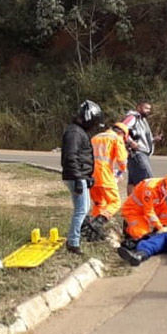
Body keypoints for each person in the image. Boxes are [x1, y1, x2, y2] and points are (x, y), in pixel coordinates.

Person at [117, 174, 167, 266]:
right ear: (163, 184)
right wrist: (160, 227)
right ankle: (139, 256)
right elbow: (148, 211)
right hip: (135, 211)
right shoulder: (150, 188)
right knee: (143, 237)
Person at [61, 100, 103, 254]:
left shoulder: (78, 131)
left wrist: (86, 177)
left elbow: (80, 157)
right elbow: (71, 157)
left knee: (83, 208)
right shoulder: (74, 133)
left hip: (78, 176)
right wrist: (79, 178)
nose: (94, 126)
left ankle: (76, 238)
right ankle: (73, 243)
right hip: (75, 177)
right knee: (82, 210)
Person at [85, 122, 130, 240]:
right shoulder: (116, 139)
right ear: (122, 133)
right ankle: (99, 221)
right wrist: (121, 171)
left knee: (99, 203)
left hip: (91, 175)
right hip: (105, 175)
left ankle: (93, 232)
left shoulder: (95, 138)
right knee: (115, 202)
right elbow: (122, 160)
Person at [120, 101, 163, 195]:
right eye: (146, 108)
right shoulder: (133, 117)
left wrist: (153, 139)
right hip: (137, 154)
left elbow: (143, 138)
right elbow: (121, 129)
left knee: (132, 181)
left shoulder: (143, 120)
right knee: (149, 179)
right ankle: (148, 201)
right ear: (138, 108)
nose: (148, 111)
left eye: (149, 109)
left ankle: (130, 202)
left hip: (140, 154)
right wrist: (130, 142)